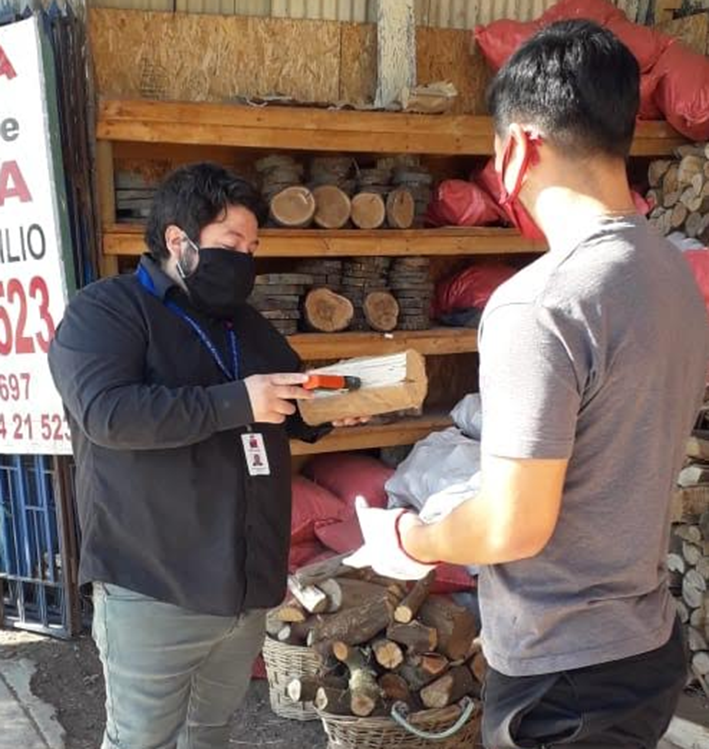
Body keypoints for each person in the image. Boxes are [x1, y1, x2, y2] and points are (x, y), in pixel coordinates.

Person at [348, 20, 709, 749]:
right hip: (645, 645)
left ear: (517, 147)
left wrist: (410, 538)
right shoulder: (671, 271)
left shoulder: (538, 303)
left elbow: (513, 526)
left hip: (564, 675)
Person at [48, 162, 362, 749]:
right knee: (141, 741)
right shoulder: (106, 310)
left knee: (209, 734)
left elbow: (286, 397)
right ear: (178, 240)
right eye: (231, 242)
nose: (244, 258)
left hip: (242, 585)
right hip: (155, 584)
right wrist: (238, 401)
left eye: (252, 247)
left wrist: (327, 411)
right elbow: (108, 414)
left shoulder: (246, 325)